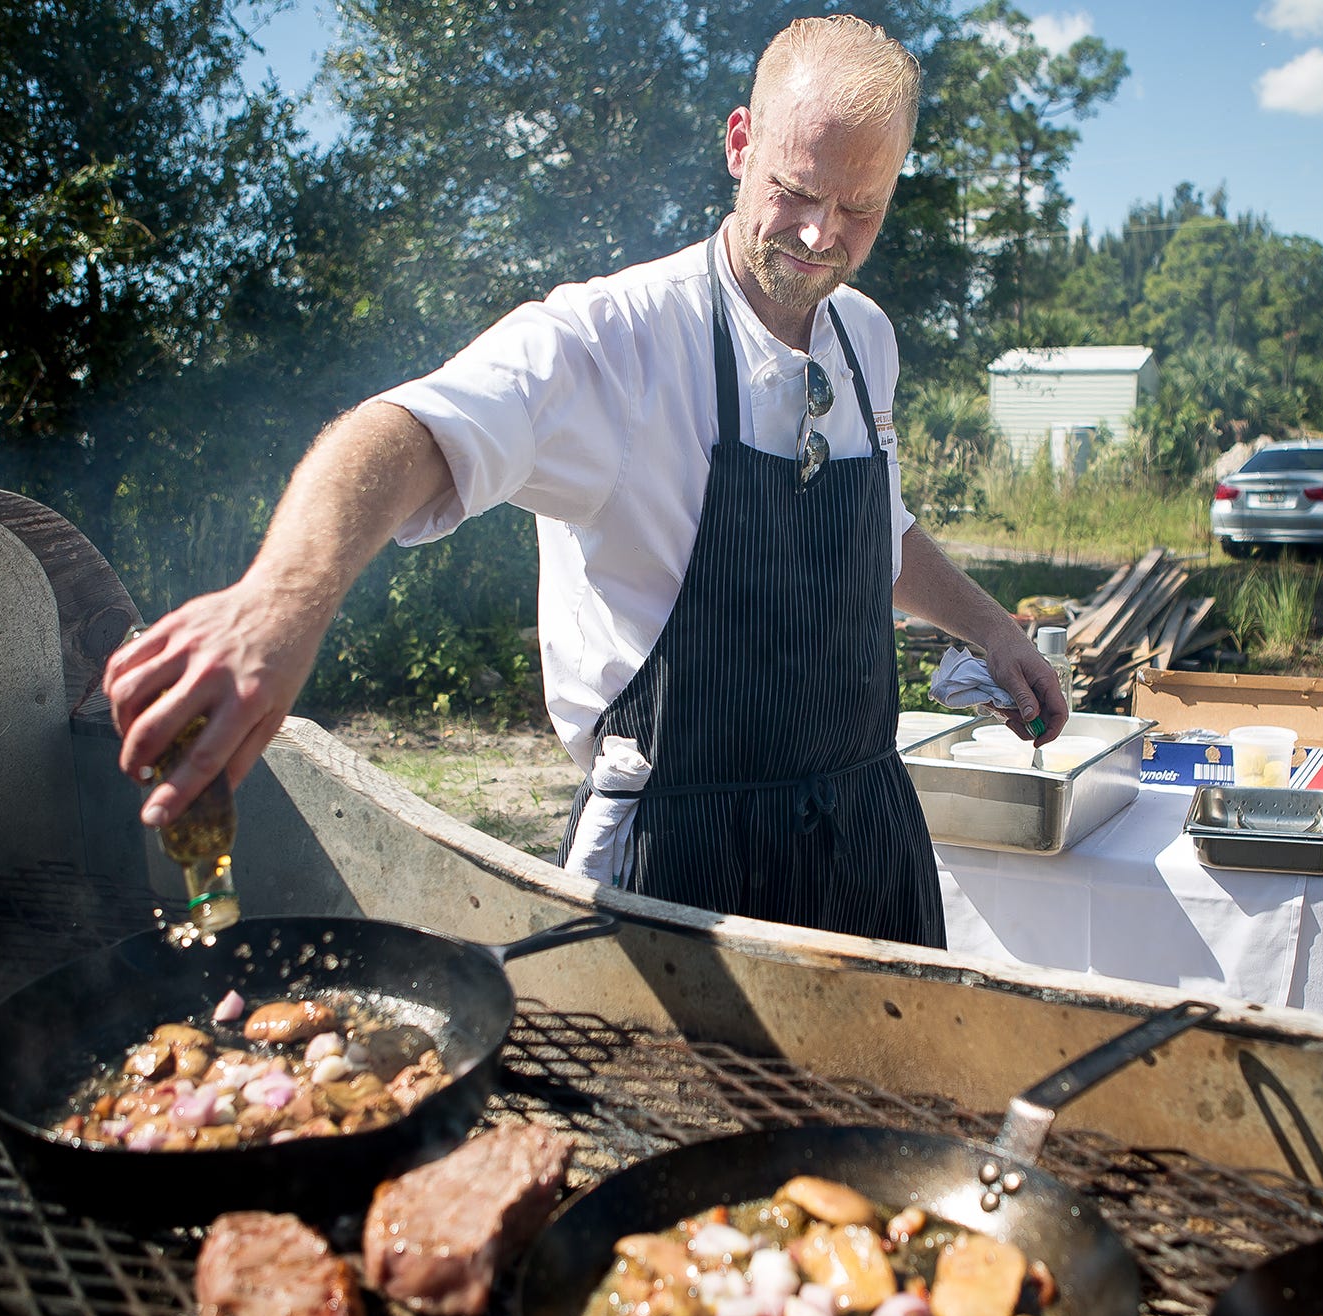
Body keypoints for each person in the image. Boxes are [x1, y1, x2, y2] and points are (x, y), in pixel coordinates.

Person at [104, 14, 1066, 948]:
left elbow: (875, 527)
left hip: (866, 835)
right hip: (678, 862)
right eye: (797, 192)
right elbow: (402, 431)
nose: (821, 237)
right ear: (740, 145)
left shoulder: (869, 339)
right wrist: (281, 602)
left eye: (860, 210)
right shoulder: (615, 341)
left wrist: (988, 625)